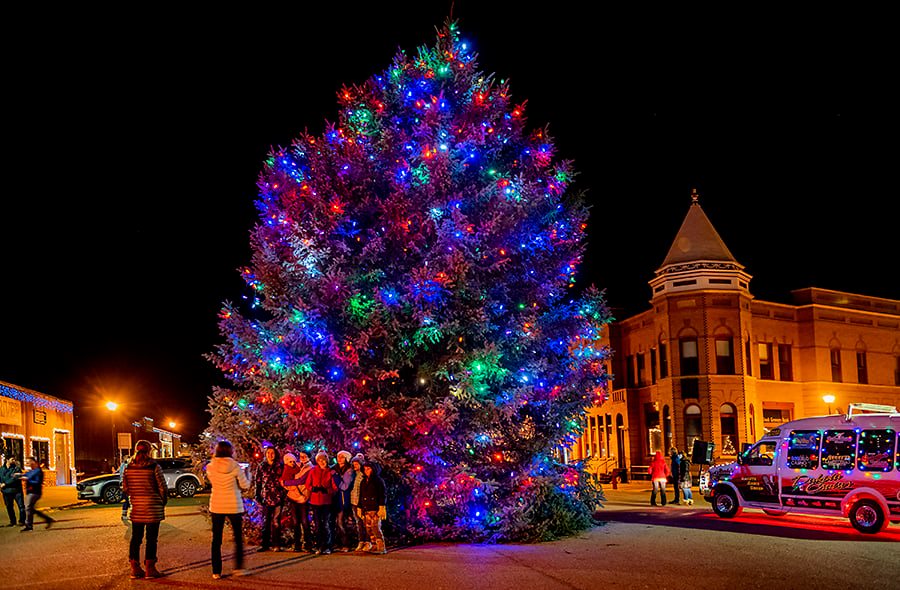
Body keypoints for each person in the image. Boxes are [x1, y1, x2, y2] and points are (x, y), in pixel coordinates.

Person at [207, 439, 251, 580]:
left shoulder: (210, 467)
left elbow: (213, 482)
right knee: (238, 538)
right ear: (230, 451)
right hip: (233, 504)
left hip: (217, 505)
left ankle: (216, 571)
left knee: (216, 539)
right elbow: (245, 485)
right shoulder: (236, 466)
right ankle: (238, 568)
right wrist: (248, 474)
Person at [121, 440, 167, 579]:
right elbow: (162, 487)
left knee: (136, 538)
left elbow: (125, 488)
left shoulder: (128, 467)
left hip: (137, 508)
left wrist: (135, 498)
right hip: (153, 508)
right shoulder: (154, 466)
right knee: (151, 539)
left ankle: (135, 568)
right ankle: (150, 569)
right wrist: (162, 501)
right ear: (148, 451)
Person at [280, 451, 313, 552]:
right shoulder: (297, 465)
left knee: (304, 521)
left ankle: (308, 544)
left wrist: (285, 482)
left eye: (304, 456)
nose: (302, 458)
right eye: (301, 456)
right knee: (295, 522)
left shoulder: (310, 468)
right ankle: (297, 544)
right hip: (293, 496)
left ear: (309, 457)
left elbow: (301, 480)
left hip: (303, 497)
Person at [254, 445, 285, 552]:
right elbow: (258, 482)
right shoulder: (262, 466)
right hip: (266, 497)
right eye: (268, 453)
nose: (270, 455)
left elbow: (284, 481)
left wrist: (283, 495)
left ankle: (276, 544)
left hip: (277, 498)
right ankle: (265, 544)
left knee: (276, 522)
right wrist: (257, 495)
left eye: (272, 453)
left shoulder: (280, 466)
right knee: (266, 521)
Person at [306, 451, 337, 555]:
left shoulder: (330, 472)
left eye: (323, 460)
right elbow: (307, 484)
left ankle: (328, 546)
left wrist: (327, 491)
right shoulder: (313, 471)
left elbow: (335, 487)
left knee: (326, 524)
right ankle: (319, 545)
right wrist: (313, 489)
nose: (322, 462)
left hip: (326, 501)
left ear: (326, 460)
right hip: (315, 501)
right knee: (318, 524)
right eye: (319, 460)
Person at [357, 461, 387, 554]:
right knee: (368, 528)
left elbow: (382, 494)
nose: (366, 471)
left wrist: (382, 506)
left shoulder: (378, 480)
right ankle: (374, 545)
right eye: (365, 469)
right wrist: (359, 507)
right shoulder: (363, 481)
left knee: (375, 527)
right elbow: (360, 495)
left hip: (375, 507)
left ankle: (381, 547)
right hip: (366, 507)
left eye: (368, 469)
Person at [20, 456, 54, 531]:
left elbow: (38, 482)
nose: (27, 464)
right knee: (30, 509)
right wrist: (20, 476)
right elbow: (26, 475)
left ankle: (29, 525)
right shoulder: (31, 471)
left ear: (33, 462)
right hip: (30, 491)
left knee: (28, 507)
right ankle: (47, 519)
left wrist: (27, 479)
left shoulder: (38, 471)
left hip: (35, 492)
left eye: (28, 462)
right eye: (26, 462)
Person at [331, 449, 355, 552]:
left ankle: (346, 544)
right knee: (333, 523)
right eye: (338, 456)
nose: (339, 459)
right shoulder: (334, 469)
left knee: (340, 522)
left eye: (342, 457)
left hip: (343, 500)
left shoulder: (349, 471)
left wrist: (335, 477)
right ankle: (336, 543)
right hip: (333, 499)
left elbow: (344, 486)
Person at [349, 453, 370, 551]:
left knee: (365, 522)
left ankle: (368, 541)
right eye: (353, 464)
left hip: (362, 503)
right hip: (354, 502)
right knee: (359, 522)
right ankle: (361, 541)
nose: (355, 466)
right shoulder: (353, 474)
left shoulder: (363, 475)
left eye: (357, 464)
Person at [1, 457, 26, 527]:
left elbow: (15, 478)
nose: (14, 461)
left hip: (16, 491)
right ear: (7, 460)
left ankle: (22, 521)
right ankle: (12, 521)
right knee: (9, 507)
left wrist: (5, 483)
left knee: (21, 506)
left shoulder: (16, 468)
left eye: (14, 459)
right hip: (6, 491)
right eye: (12, 459)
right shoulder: (1, 469)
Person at [118, 455, 131, 524]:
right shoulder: (125, 465)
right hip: (125, 485)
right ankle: (124, 515)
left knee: (127, 500)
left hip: (124, 484)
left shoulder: (122, 465)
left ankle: (125, 514)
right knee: (127, 500)